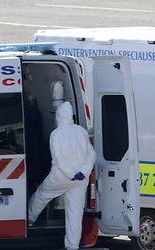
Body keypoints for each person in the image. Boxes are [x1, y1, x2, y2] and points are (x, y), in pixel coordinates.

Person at [28, 82, 96, 250]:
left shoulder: (56, 134)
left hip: (61, 176)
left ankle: (29, 220)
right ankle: (72, 246)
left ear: (58, 116)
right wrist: (83, 172)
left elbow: (59, 159)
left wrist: (71, 173)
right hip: (81, 180)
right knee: (75, 213)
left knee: (41, 195)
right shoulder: (81, 131)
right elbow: (91, 154)